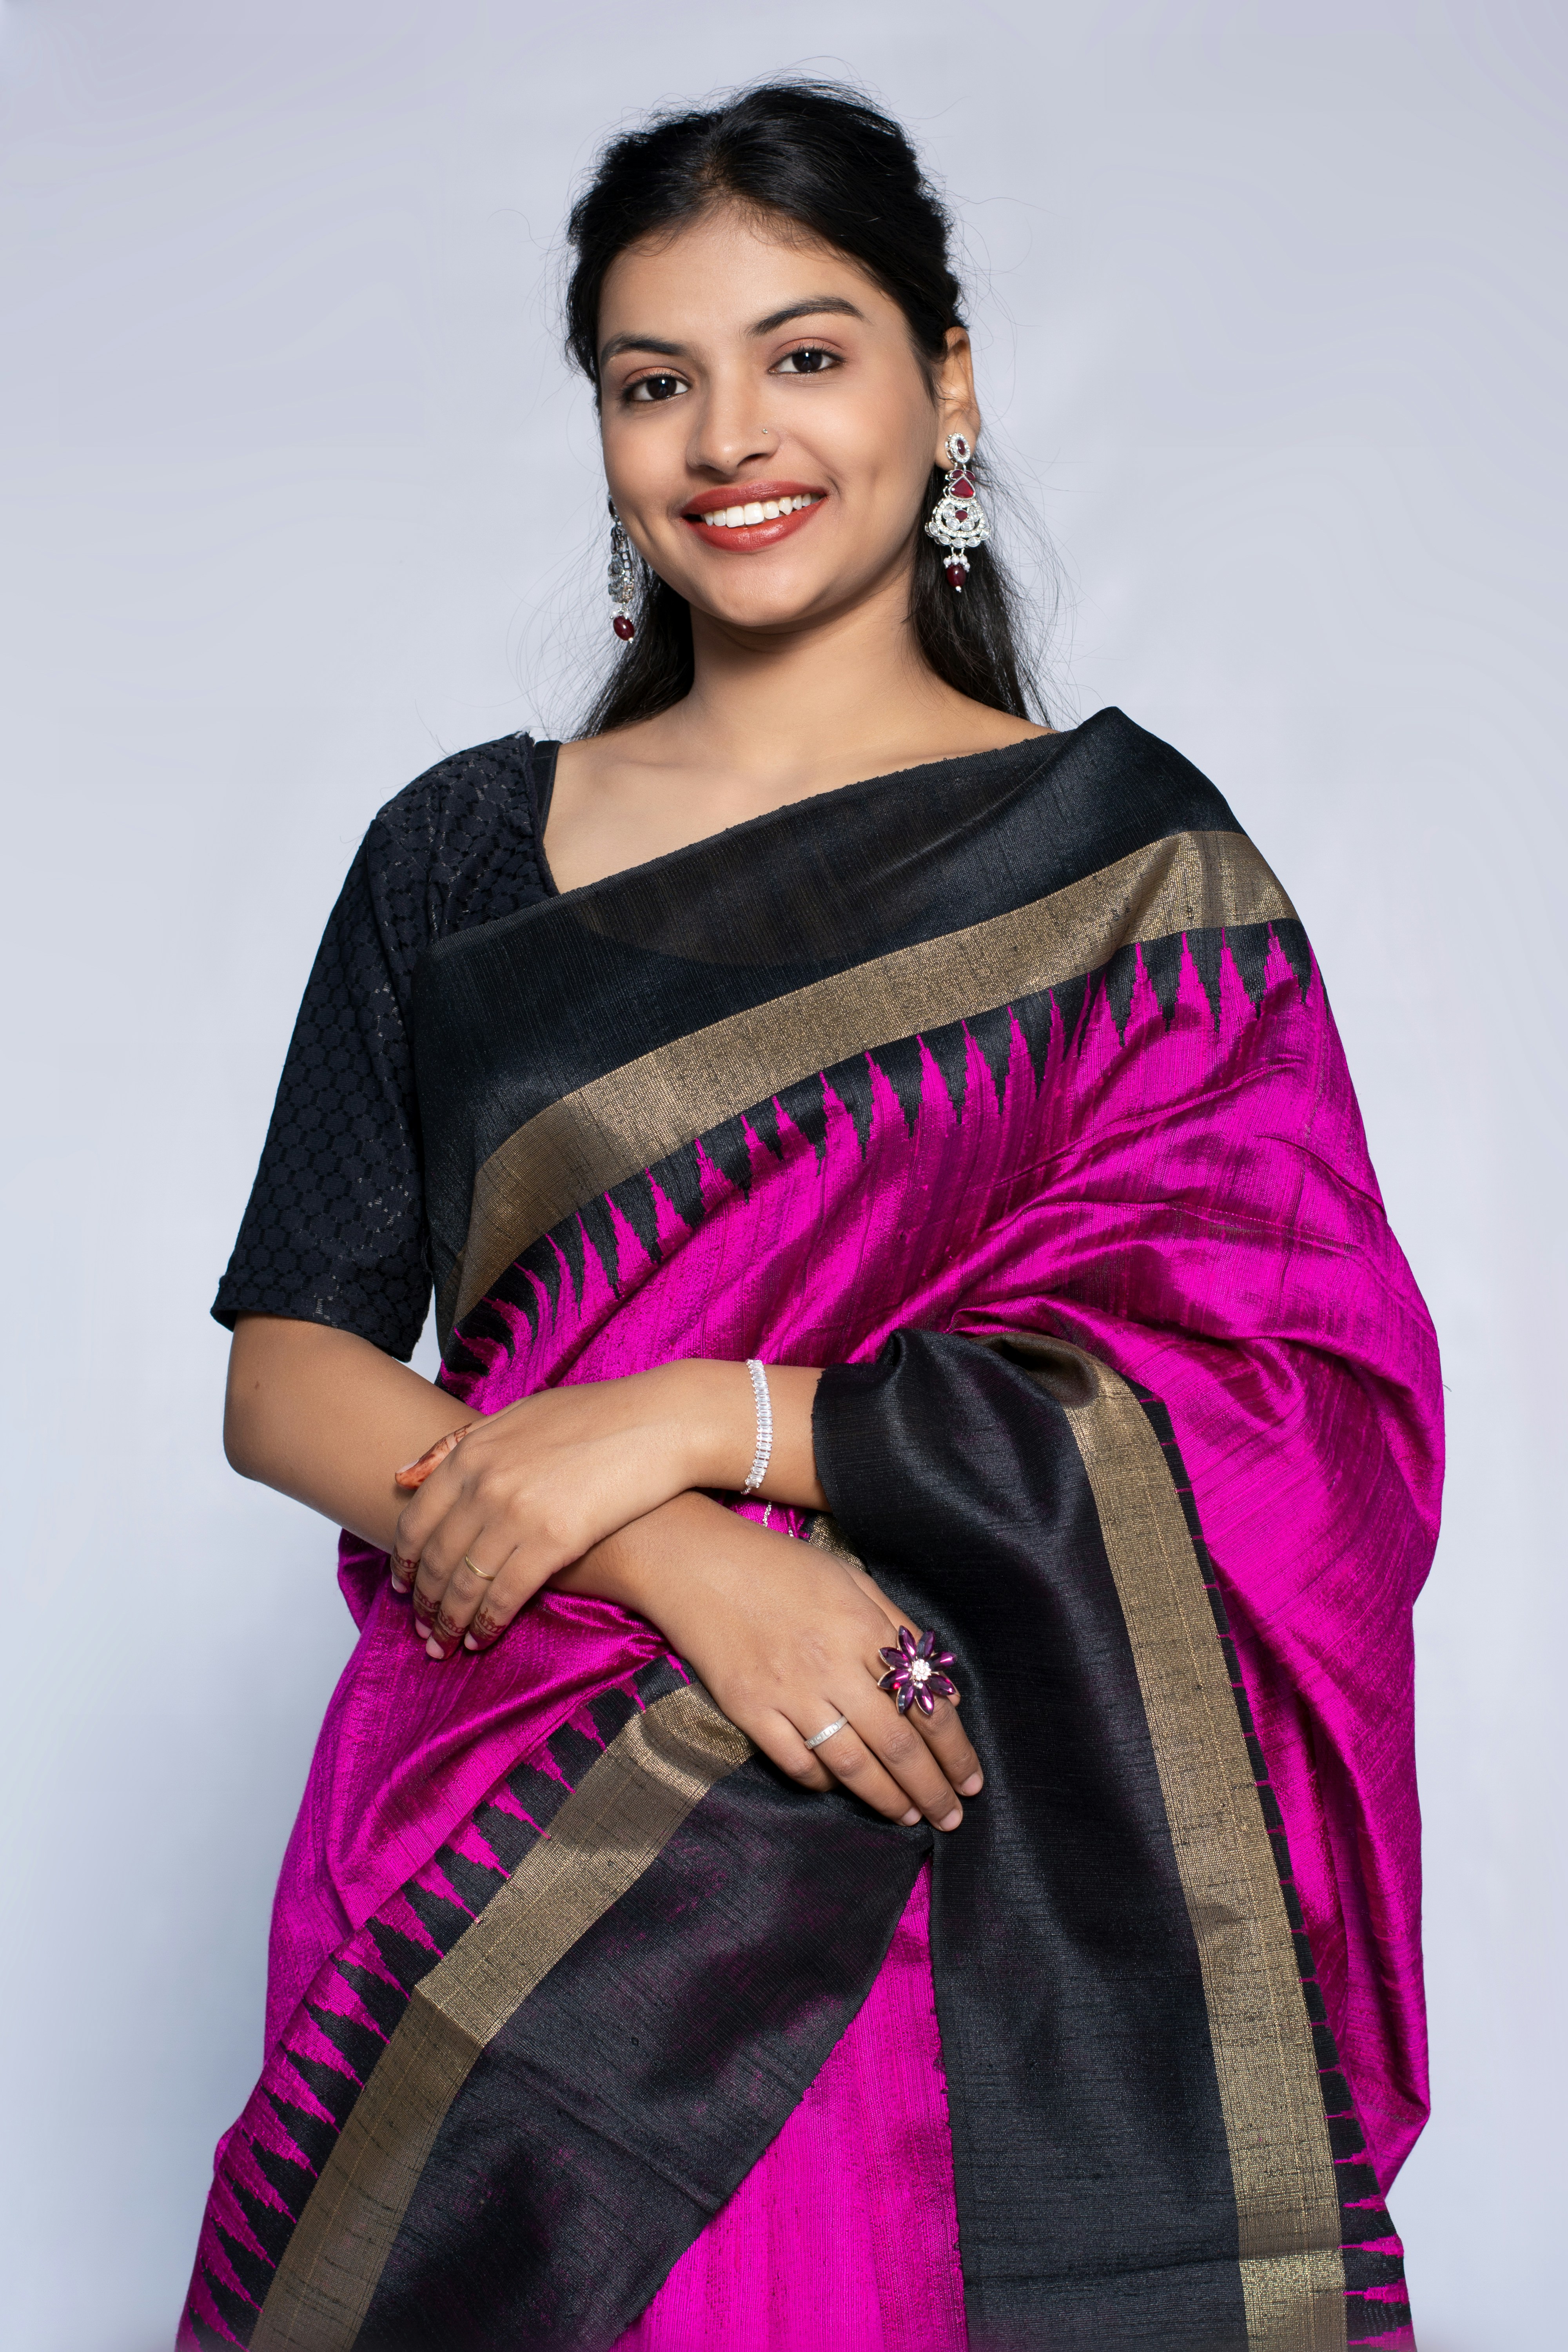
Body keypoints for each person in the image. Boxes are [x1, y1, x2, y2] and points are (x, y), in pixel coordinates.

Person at [180, 82, 1438, 2352]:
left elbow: (1292, 1404)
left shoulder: (1128, 870)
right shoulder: (465, 851)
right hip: (511, 1858)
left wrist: (707, 1418)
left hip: (954, 1853)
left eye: (806, 355)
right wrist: (683, 1558)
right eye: (653, 381)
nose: (728, 437)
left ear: (947, 388)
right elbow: (288, 1371)